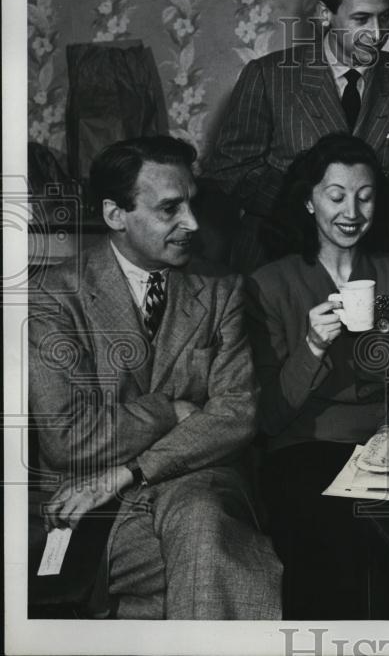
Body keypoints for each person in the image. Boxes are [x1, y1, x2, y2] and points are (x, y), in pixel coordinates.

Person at [28, 136, 282, 620]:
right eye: (170, 209)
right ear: (115, 214)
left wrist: (130, 469)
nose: (193, 223)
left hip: (198, 481)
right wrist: (170, 410)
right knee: (216, 559)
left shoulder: (222, 289)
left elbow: (236, 415)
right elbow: (67, 438)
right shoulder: (53, 296)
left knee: (203, 524)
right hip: (93, 507)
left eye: (192, 203)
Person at [244, 133, 389, 620]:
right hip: (306, 445)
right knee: (332, 534)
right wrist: (311, 346)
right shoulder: (270, 285)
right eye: (336, 196)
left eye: (365, 197)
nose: (352, 212)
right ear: (309, 201)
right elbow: (270, 417)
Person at [205, 0, 389, 272]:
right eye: (361, 18)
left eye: (385, 16)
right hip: (277, 258)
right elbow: (230, 171)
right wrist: (305, 204)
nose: (377, 34)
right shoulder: (268, 76)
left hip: (374, 264)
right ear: (323, 13)